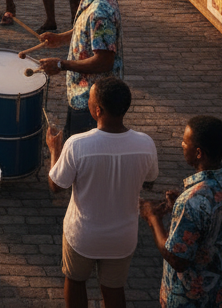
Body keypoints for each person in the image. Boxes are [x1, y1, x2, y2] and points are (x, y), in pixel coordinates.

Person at [47, 78, 158, 308]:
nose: (87, 101)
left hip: (83, 236)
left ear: (98, 110)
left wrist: (54, 150)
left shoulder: (77, 144)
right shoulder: (146, 144)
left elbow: (56, 185)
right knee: (114, 289)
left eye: (90, 98)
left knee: (75, 281)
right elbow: (150, 180)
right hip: (123, 237)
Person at [140, 116, 222, 308]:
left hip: (192, 299)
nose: (182, 145)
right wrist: (180, 208)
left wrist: (153, 218)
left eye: (185, 142)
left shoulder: (192, 201)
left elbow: (177, 259)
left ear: (198, 153)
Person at [37, 0, 123, 138]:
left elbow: (104, 61)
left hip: (93, 103)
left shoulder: (100, 11)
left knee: (82, 151)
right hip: (80, 95)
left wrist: (61, 64)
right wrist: (60, 38)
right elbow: (87, 31)